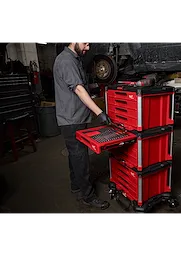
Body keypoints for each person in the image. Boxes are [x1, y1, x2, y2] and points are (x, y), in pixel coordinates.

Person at [53, 40, 112, 210]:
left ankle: (76, 186)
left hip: (73, 117)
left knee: (74, 155)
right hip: (72, 120)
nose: (88, 48)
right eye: (85, 43)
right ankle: (88, 196)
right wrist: (99, 112)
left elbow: (78, 86)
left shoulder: (73, 58)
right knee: (81, 157)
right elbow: (78, 89)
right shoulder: (66, 60)